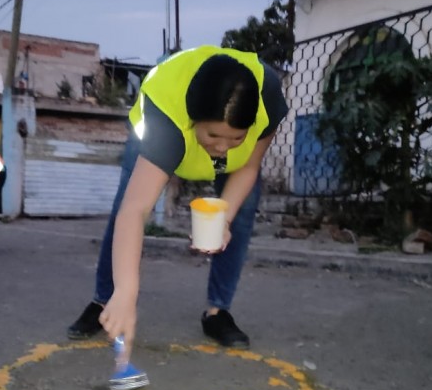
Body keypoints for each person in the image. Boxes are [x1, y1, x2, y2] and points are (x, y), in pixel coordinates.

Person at [67, 45, 289, 350]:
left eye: (236, 138)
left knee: (244, 207)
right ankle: (105, 300)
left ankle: (217, 312)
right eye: (213, 136)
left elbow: (249, 166)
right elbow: (135, 210)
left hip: (232, 141)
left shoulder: (268, 96)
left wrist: (224, 218)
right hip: (161, 125)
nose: (223, 148)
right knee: (125, 206)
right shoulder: (167, 121)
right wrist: (127, 293)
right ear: (193, 120)